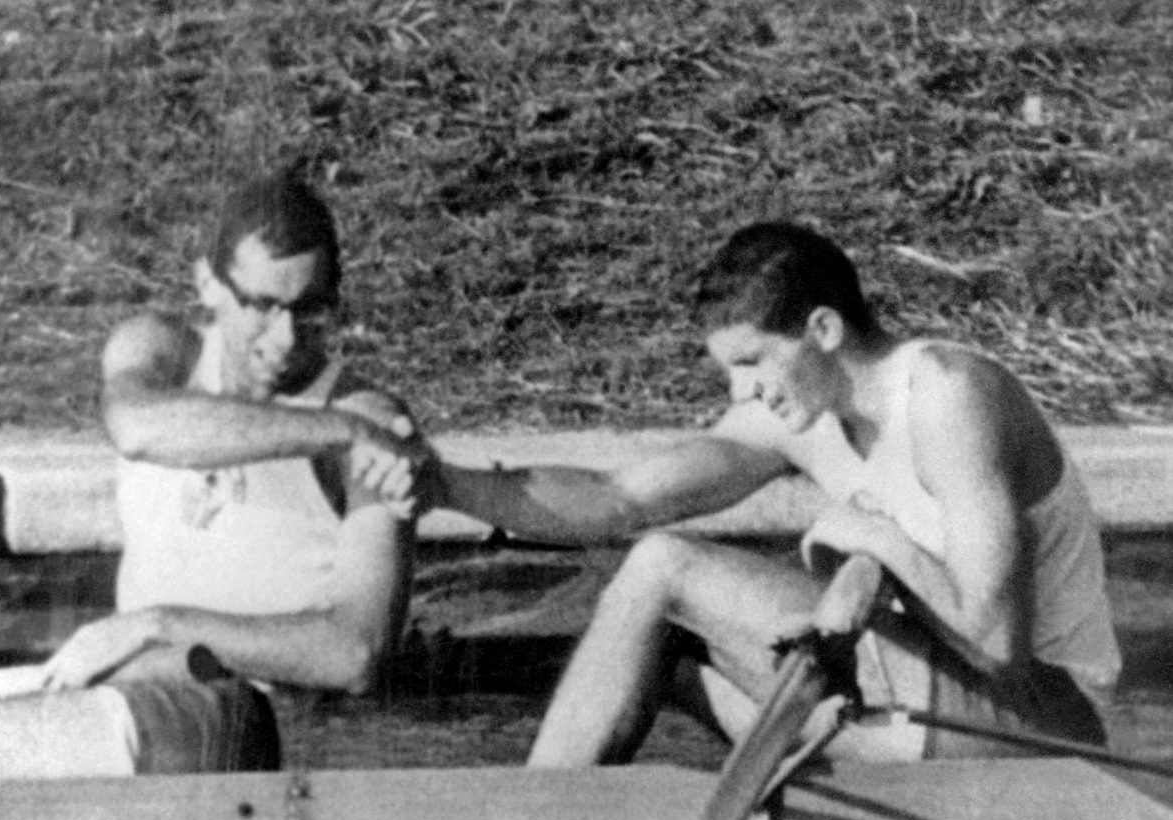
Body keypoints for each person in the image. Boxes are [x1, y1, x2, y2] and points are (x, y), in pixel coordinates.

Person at [425, 221, 1121, 765]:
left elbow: (997, 641)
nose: (740, 392)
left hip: (1044, 721)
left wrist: (873, 539)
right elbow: (617, 499)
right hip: (936, 709)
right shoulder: (806, 417)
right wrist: (444, 484)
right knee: (646, 642)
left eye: (752, 362)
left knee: (666, 565)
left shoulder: (947, 396)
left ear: (822, 329)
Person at [0, 168, 421, 778]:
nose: (286, 337)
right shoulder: (161, 352)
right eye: (262, 306)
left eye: (311, 310)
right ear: (207, 283)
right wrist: (336, 435)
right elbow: (140, 429)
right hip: (122, 695)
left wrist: (157, 626)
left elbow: (356, 653)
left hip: (232, 721)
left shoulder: (371, 418)